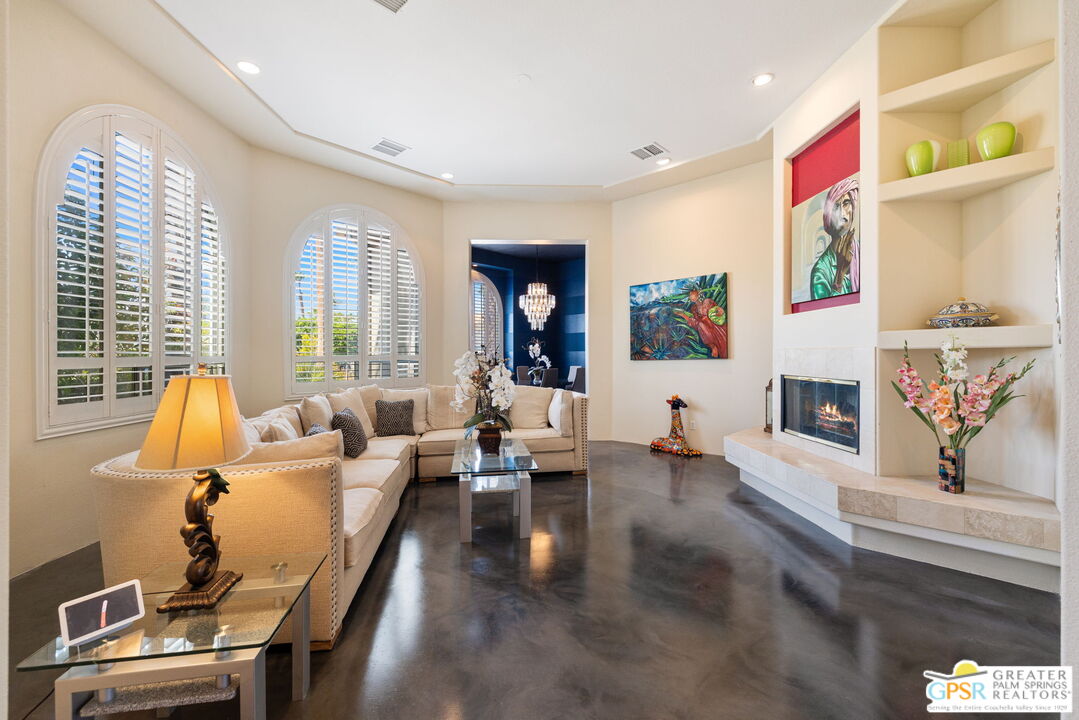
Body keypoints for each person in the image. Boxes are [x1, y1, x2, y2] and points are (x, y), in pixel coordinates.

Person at [810, 175, 860, 299]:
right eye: (836, 207)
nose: (842, 214)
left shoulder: (864, 252)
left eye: (846, 203)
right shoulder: (820, 272)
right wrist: (840, 273)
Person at [685, 289, 727, 358]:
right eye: (690, 295)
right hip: (705, 331)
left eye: (691, 294)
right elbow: (695, 323)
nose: (690, 296)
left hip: (715, 327)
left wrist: (720, 311)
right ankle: (713, 346)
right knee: (701, 325)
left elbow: (717, 309)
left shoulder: (707, 302)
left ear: (698, 294)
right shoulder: (694, 308)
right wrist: (684, 316)